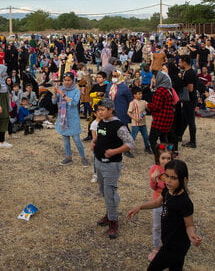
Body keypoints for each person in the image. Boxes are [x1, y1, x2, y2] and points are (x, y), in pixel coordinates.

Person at [127, 159, 202, 271]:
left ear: (184, 180)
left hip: (176, 245)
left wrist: (192, 235)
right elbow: (157, 202)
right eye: (166, 176)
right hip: (168, 239)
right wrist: (140, 207)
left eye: (173, 178)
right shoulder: (168, 190)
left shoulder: (185, 202)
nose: (168, 181)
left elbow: (189, 225)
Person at [91, 98, 135, 239]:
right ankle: (110, 213)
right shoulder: (101, 122)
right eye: (99, 110)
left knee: (110, 192)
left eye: (103, 110)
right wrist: (94, 142)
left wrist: (114, 151)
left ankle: (113, 221)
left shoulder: (119, 125)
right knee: (103, 190)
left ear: (111, 110)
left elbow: (130, 143)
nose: (100, 112)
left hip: (111, 165)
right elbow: (101, 136)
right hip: (99, 162)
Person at [53, 72, 89, 166]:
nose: (67, 82)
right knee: (65, 138)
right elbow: (54, 101)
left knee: (76, 139)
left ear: (73, 81)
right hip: (62, 117)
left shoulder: (77, 91)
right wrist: (55, 94)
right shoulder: (61, 89)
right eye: (65, 80)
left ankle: (83, 157)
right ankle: (68, 157)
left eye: (69, 80)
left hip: (73, 118)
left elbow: (74, 103)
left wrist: (63, 95)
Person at [146, 145, 173, 262]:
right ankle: (156, 247)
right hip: (157, 202)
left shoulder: (174, 170)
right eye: (163, 158)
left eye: (168, 158)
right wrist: (153, 178)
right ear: (158, 158)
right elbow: (153, 187)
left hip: (171, 203)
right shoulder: (155, 169)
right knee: (157, 226)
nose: (166, 161)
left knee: (170, 226)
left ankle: (168, 247)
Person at [148, 71, 178, 153]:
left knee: (152, 139)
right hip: (168, 119)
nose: (153, 80)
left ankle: (159, 155)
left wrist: (147, 106)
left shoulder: (159, 91)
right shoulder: (168, 90)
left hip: (160, 120)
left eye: (154, 78)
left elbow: (156, 106)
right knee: (163, 138)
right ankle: (167, 153)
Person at [178, 55, 198, 148]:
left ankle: (193, 141)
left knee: (190, 121)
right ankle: (179, 135)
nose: (179, 64)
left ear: (184, 62)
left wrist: (182, 86)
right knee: (185, 118)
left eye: (180, 62)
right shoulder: (188, 72)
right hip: (188, 100)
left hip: (190, 99)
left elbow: (190, 88)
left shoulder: (189, 73)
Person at [128, 86, 152, 156]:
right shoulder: (132, 103)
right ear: (134, 95)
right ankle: (127, 149)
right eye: (139, 94)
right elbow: (128, 112)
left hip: (143, 123)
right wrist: (135, 118)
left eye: (141, 93)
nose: (140, 95)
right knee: (133, 137)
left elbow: (149, 107)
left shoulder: (144, 102)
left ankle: (147, 147)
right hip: (135, 124)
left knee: (146, 136)